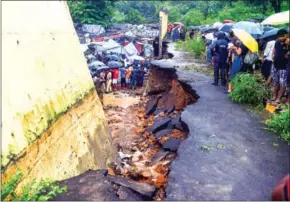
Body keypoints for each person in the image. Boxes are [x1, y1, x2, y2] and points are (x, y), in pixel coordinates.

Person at [270, 29, 289, 106]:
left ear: (286, 35)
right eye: (279, 37)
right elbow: (275, 50)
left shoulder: (288, 43)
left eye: (282, 36)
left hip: (284, 67)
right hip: (275, 65)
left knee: (283, 83)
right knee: (276, 81)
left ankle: (279, 98)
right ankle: (274, 96)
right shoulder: (277, 42)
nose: (280, 38)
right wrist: (273, 56)